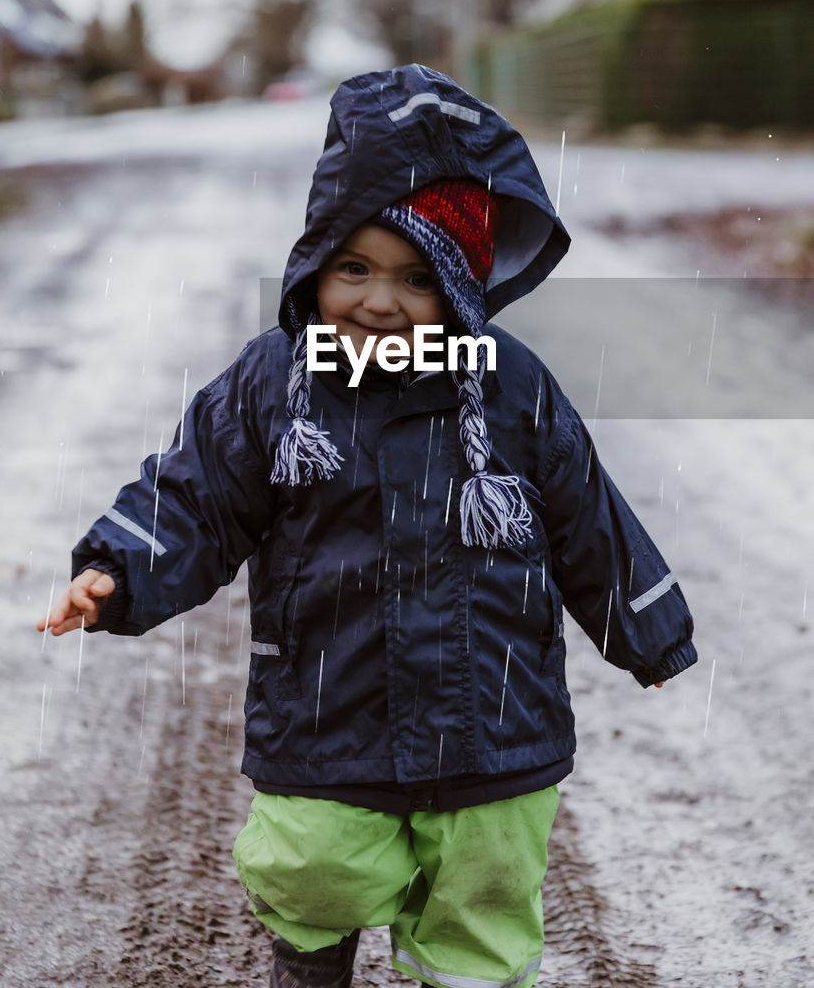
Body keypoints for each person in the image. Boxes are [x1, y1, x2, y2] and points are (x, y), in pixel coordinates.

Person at [38, 65, 697, 988]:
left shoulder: (508, 385)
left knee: (483, 898)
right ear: (315, 263)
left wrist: (647, 627)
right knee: (313, 870)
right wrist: (117, 570)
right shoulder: (276, 384)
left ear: (464, 288)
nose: (378, 301)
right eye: (354, 268)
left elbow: (586, 513)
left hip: (492, 729)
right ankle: (309, 968)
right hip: (327, 718)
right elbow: (194, 494)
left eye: (417, 278)